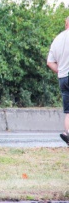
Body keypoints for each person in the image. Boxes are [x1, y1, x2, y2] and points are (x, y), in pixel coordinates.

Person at [47, 16, 69, 146]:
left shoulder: (58, 39)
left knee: (68, 111)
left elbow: (50, 62)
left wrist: (61, 72)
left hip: (63, 78)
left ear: (66, 24)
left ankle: (67, 133)